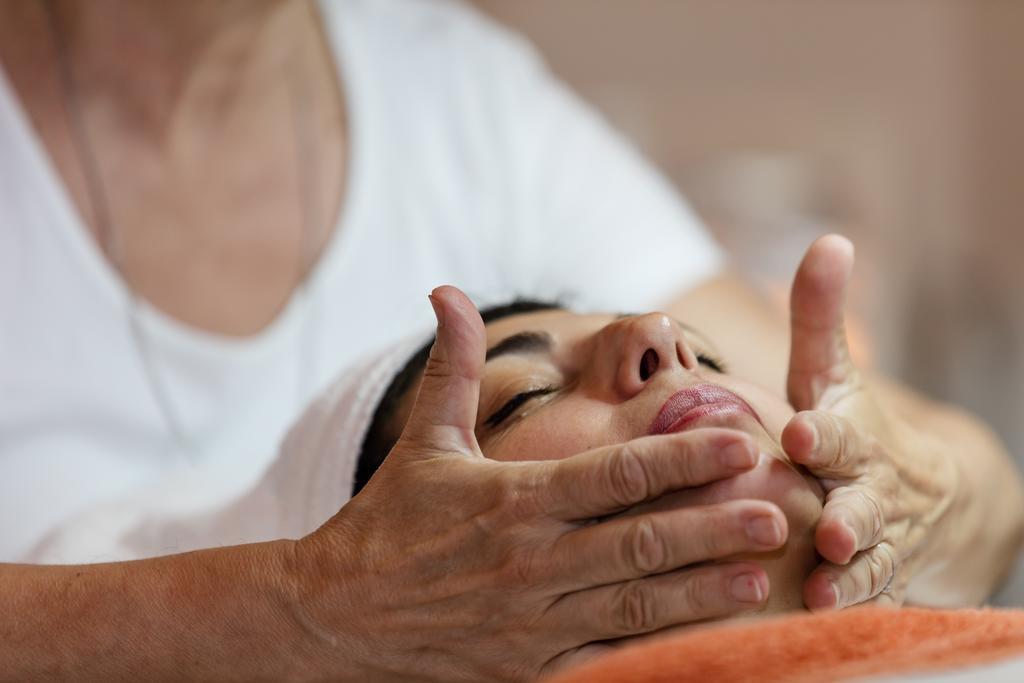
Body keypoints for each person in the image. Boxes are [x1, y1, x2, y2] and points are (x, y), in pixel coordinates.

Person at [0, 0, 1021, 679]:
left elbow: (966, 476)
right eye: (519, 396)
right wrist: (309, 604)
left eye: (707, 355)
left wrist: (900, 496)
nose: (660, 337)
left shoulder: (462, 98)